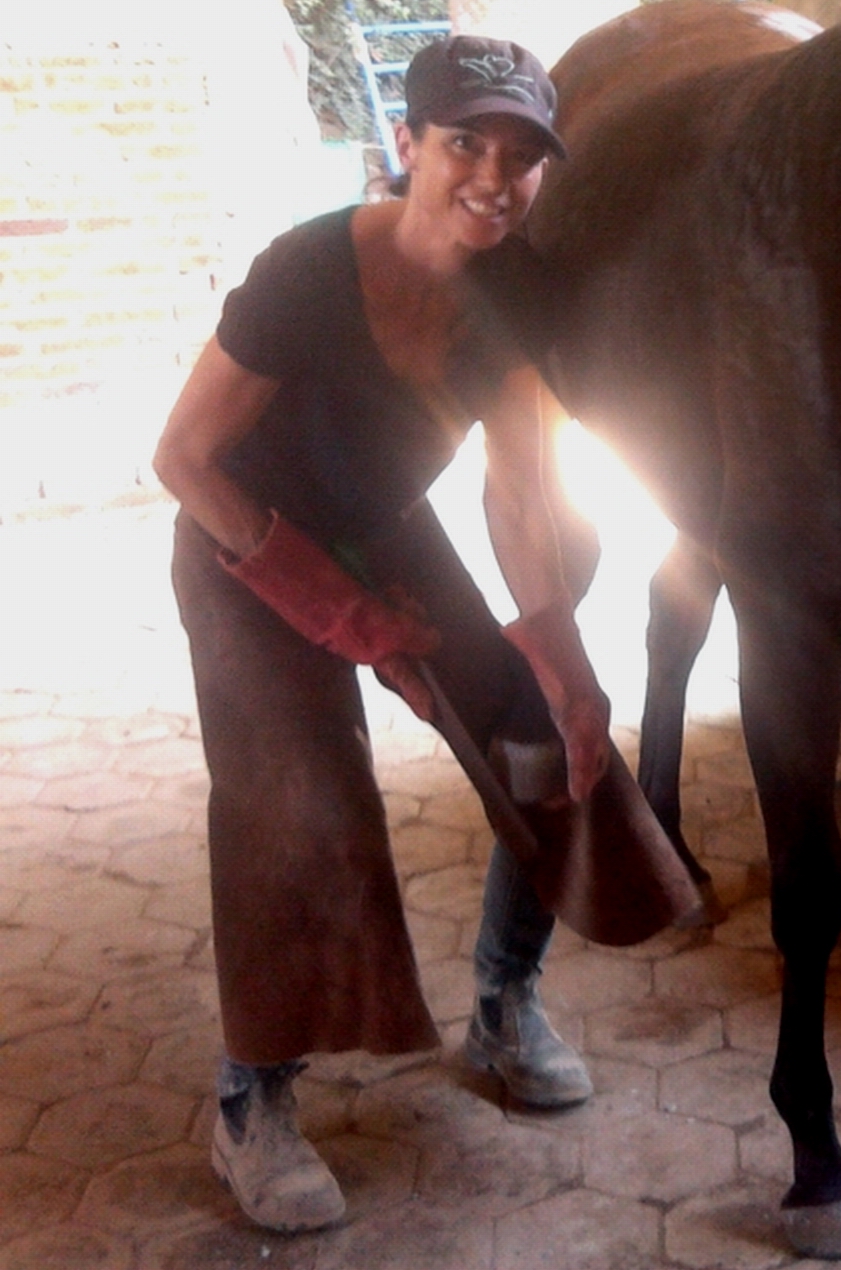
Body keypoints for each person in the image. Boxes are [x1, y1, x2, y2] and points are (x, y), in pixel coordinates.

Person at [154, 35, 612, 1233]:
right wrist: (340, 614)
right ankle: (253, 1098)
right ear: (406, 147)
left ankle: (506, 999)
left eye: (522, 157)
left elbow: (519, 488)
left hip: (379, 519)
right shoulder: (306, 271)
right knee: (297, 791)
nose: (494, 178)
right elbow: (183, 459)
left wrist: (559, 659)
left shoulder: (521, 287)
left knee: (536, 728)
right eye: (467, 143)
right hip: (241, 536)